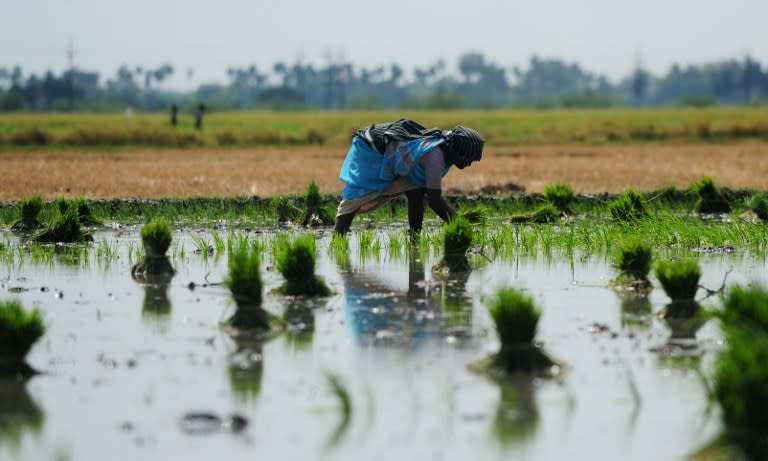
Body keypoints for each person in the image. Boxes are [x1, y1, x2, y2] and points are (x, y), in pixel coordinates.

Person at [334, 118, 484, 236]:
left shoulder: (446, 149)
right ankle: (338, 236)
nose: (469, 164)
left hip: (397, 157)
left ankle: (414, 237)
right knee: (356, 198)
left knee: (417, 192)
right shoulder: (435, 158)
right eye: (468, 159)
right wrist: (461, 226)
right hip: (374, 151)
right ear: (457, 151)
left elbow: (421, 189)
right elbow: (435, 202)